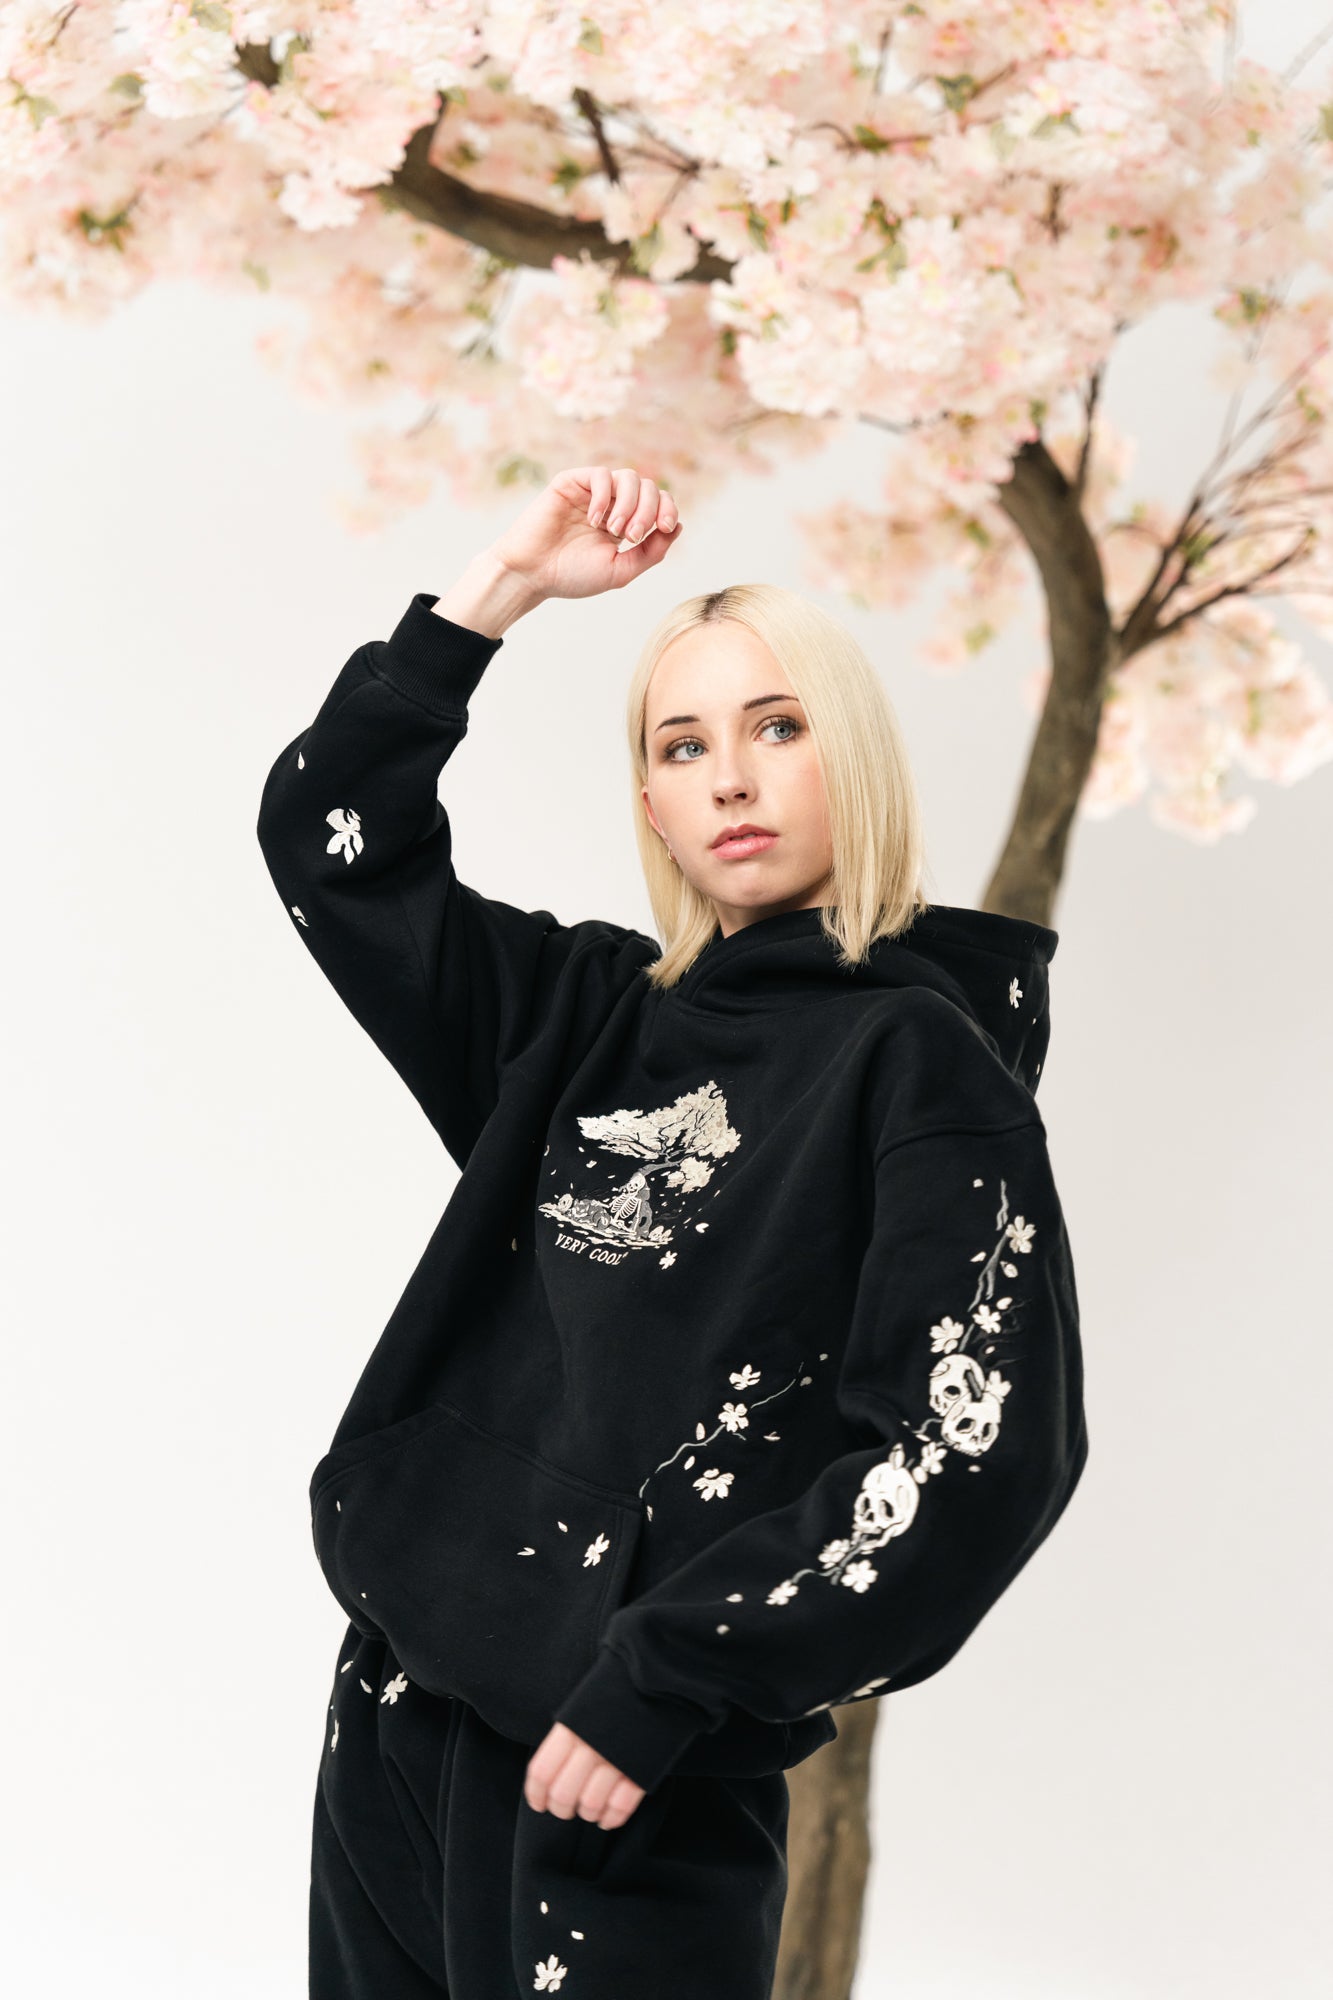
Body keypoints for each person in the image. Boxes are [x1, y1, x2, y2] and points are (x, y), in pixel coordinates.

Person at [255, 464, 1089, 1999]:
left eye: (776, 727)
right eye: (682, 744)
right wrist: (499, 588)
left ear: (852, 755)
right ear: (648, 800)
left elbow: (971, 1449)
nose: (728, 779)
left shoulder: (917, 1067)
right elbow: (333, 841)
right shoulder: (581, 1021)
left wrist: (670, 1679)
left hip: (626, 1770)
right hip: (394, 1716)